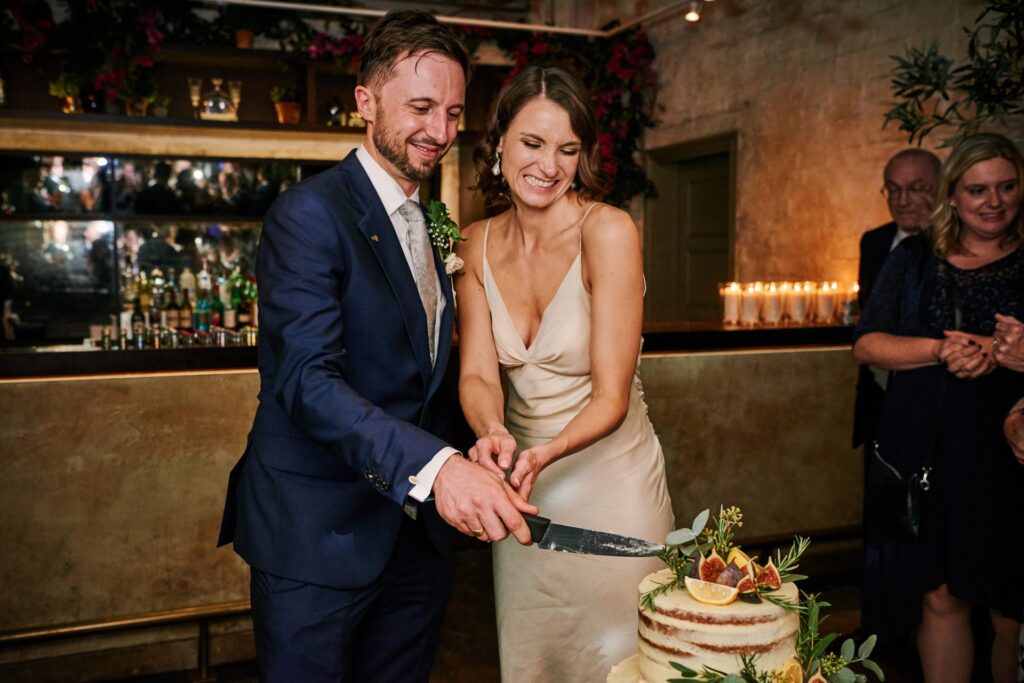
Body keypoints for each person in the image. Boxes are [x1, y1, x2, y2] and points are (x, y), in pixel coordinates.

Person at [217, 12, 536, 682]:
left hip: (415, 541)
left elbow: (414, 374)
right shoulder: (309, 215)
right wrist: (440, 468)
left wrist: (478, 438)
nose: (441, 132)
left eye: (452, 112)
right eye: (421, 107)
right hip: (318, 538)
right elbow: (307, 380)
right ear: (365, 101)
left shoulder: (430, 219)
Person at [455, 65, 674, 682]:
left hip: (610, 482)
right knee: (537, 658)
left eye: (567, 150)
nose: (548, 165)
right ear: (499, 142)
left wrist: (543, 452)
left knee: (620, 661)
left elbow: (611, 395)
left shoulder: (608, 232)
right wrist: (494, 431)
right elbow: (476, 373)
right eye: (532, 143)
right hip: (523, 491)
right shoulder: (472, 244)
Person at [853, 132, 1024, 682]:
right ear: (953, 195)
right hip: (932, 450)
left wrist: (1011, 356)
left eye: (1006, 187)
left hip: (1009, 451)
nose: (993, 201)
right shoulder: (915, 258)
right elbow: (867, 344)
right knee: (941, 593)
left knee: (1008, 605)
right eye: (978, 189)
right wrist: (941, 349)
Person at [853, 148, 941, 450]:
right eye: (893, 189)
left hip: (935, 399)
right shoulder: (874, 241)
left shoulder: (958, 245)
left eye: (916, 189)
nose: (902, 200)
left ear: (942, 188)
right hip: (879, 397)